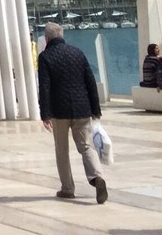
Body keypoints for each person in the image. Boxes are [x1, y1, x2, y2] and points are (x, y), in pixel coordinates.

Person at [37, 22, 106, 204]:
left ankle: (67, 189)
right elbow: (90, 81)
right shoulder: (78, 53)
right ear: (62, 36)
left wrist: (44, 114)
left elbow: (44, 87)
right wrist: (95, 109)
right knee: (86, 146)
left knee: (62, 150)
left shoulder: (45, 57)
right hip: (82, 108)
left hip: (59, 110)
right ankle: (97, 177)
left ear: (47, 38)